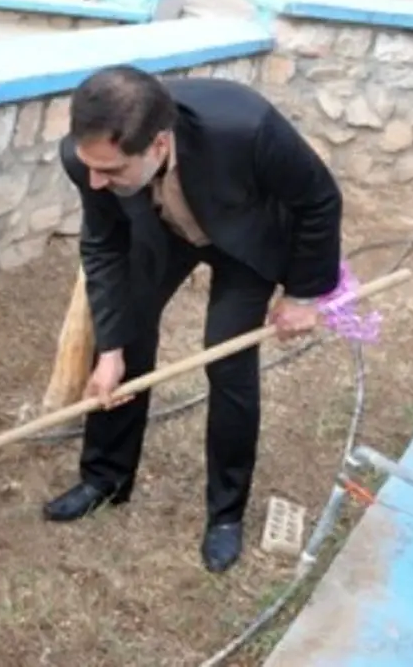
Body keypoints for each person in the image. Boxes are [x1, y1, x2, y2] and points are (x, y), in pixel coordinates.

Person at [43, 65, 343, 573]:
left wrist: (303, 295)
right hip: (161, 230)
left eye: (112, 172)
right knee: (125, 337)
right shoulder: (88, 157)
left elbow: (318, 200)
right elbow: (104, 247)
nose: (96, 179)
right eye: (91, 167)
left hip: (244, 239)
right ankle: (105, 478)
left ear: (158, 146)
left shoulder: (246, 127)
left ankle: (225, 514)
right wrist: (111, 349)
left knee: (228, 363)